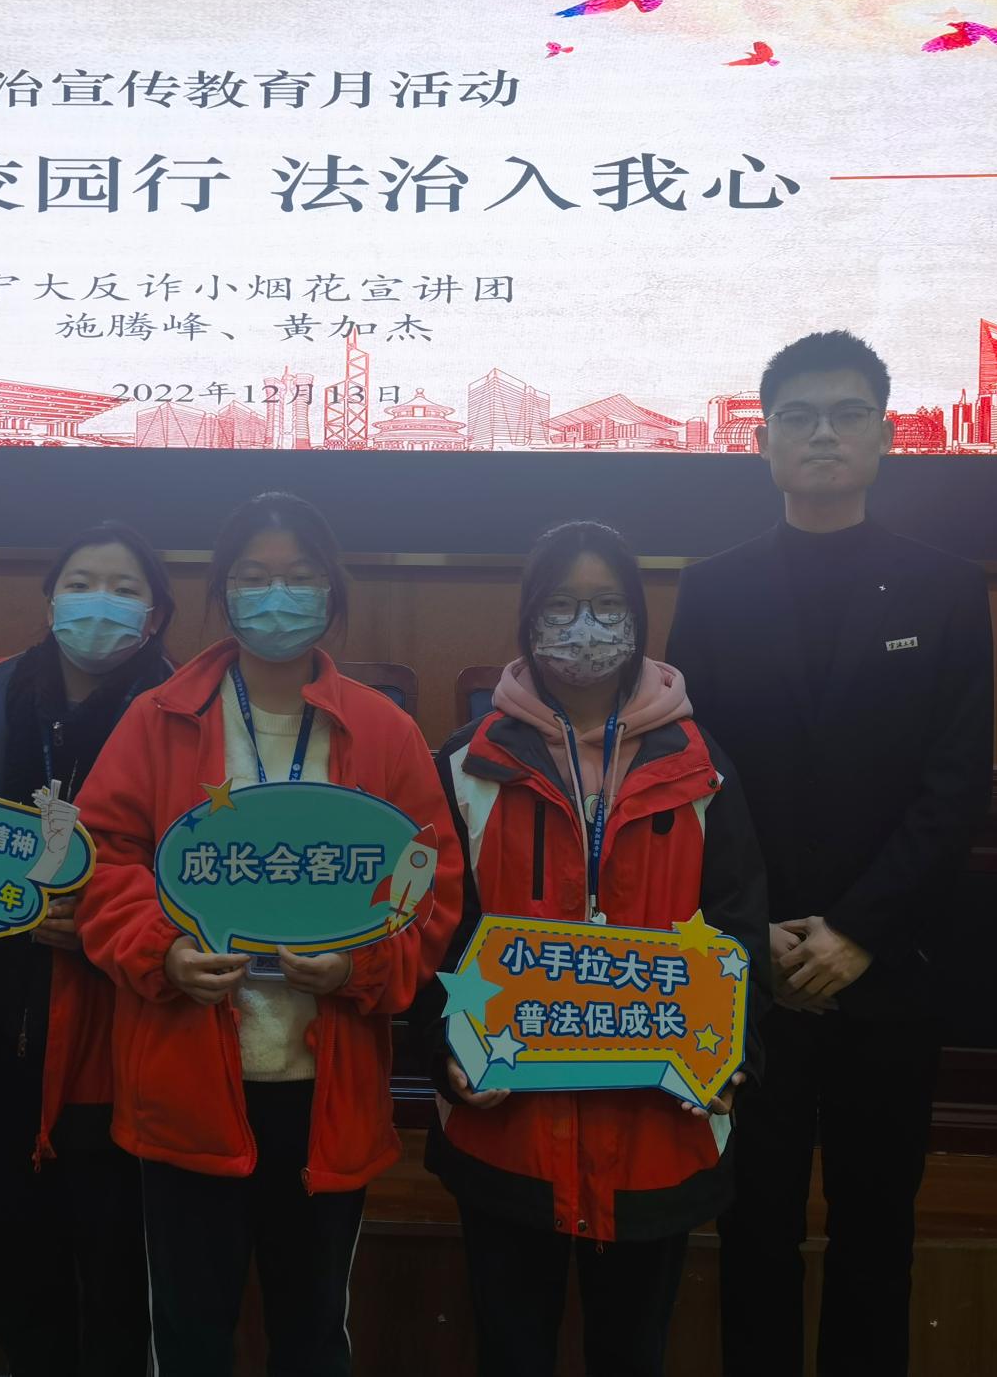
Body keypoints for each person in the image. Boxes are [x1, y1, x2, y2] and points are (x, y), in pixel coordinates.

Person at [664, 330, 994, 1377]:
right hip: (747, 966)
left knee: (876, 1230)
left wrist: (854, 932)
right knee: (751, 1226)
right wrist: (751, 931)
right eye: (797, 416)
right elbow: (689, 780)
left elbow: (955, 787)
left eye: (846, 414)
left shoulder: (946, 589)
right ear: (761, 440)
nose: (821, 434)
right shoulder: (712, 589)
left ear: (883, 437)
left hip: (888, 967)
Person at [74, 491, 463, 1377]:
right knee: (187, 1333)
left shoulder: (383, 730)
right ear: (223, 593)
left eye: (299, 577)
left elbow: (431, 884)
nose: (276, 596)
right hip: (185, 1077)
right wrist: (163, 950)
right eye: (254, 577)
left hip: (327, 1086)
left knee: (313, 1332)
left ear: (332, 592)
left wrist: (360, 963)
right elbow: (100, 859)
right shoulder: (160, 717)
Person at [414, 520, 770, 1377]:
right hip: (506, 1130)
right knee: (512, 1351)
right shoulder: (466, 764)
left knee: (631, 1353)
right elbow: (429, 930)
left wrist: (734, 1056)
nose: (585, 626)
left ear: (639, 617)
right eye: (562, 605)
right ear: (528, 618)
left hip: (655, 1132)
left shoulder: (702, 766)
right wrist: (445, 1053)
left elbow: (738, 925)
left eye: (607, 605)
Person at [0, 522, 174, 1376]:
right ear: (49, 598)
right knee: (19, 1271)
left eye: (124, 588)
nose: (99, 603)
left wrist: (103, 920)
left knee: (123, 1273)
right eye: (81, 582)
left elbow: (210, 872)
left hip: (133, 1033)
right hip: (4, 1021)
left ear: (157, 615)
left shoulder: (187, 710)